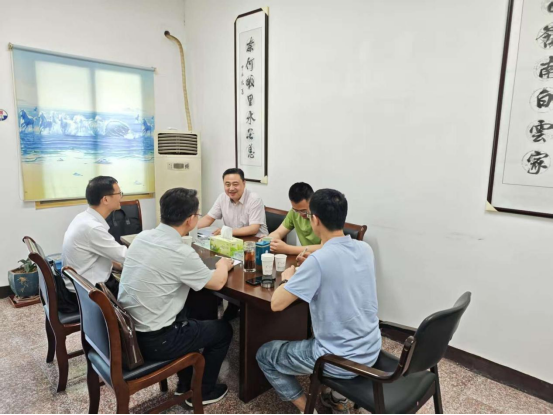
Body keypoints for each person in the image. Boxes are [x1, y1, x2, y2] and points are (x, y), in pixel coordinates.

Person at [256, 189, 382, 413]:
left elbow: (277, 304)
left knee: (265, 354)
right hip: (371, 348)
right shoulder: (365, 249)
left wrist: (288, 278)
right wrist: (312, 265)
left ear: (314, 219)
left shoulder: (319, 260)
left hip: (337, 359)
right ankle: (336, 396)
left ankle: (308, 409)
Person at [118, 188, 234, 407]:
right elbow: (218, 282)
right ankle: (202, 392)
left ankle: (186, 380)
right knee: (223, 330)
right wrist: (222, 264)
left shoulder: (143, 237)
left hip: (129, 331)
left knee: (193, 307)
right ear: (190, 219)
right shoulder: (180, 252)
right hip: (156, 341)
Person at [61, 176, 127, 311]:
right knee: (140, 292)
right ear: (105, 199)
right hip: (89, 294)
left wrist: (118, 265)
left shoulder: (83, 218)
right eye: (119, 193)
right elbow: (126, 256)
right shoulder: (92, 228)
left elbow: (101, 255)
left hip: (78, 286)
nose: (121, 197)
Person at [197, 168, 268, 238]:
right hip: (233, 240)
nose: (231, 188)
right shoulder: (222, 197)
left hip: (256, 241)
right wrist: (191, 228)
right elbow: (208, 219)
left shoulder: (254, 199)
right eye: (227, 184)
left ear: (244, 183)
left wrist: (226, 232)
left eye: (235, 184)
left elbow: (253, 229)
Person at [263, 182, 322, 256]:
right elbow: (278, 233)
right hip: (305, 257)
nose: (300, 214)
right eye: (296, 210)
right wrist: (268, 240)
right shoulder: (293, 212)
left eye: (304, 210)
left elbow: (325, 247)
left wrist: (288, 249)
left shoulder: (322, 215)